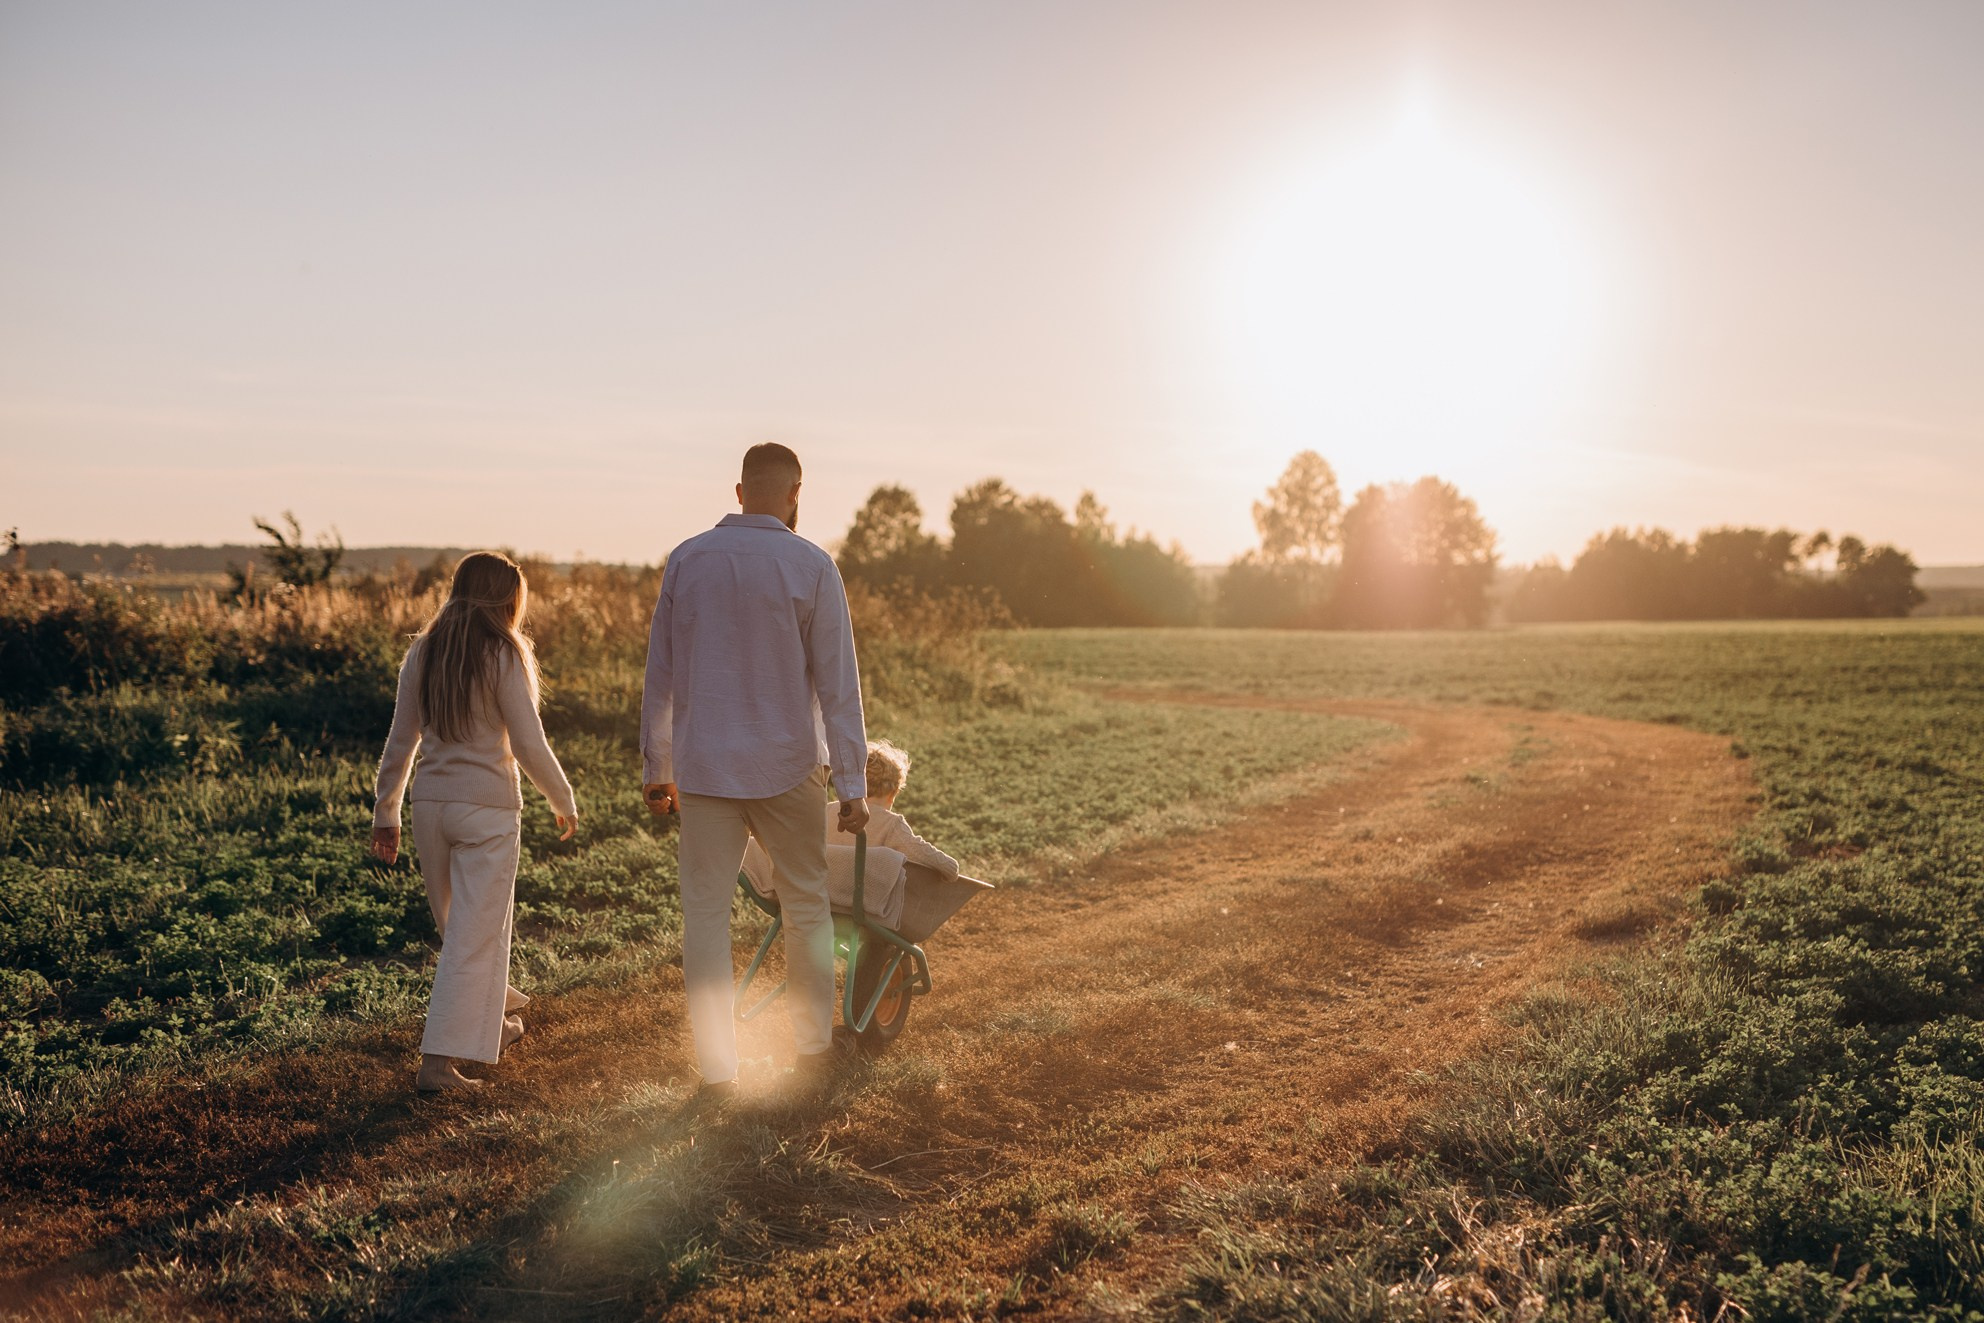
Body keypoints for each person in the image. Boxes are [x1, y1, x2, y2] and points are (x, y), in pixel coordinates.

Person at [641, 443, 869, 1094]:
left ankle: (718, 1068)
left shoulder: (687, 560)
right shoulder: (812, 564)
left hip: (705, 766)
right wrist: (851, 784)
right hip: (788, 763)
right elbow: (838, 685)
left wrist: (658, 766)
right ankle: (812, 1051)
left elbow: (660, 675)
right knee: (806, 907)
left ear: (739, 491)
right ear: (796, 493)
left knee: (706, 915)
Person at [371, 552, 578, 1093]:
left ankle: (498, 1022)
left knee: (458, 932)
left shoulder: (423, 650)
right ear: (507, 599)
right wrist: (562, 796)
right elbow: (528, 743)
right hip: (486, 809)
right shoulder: (505, 653)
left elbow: (401, 740)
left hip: (430, 808)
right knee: (474, 939)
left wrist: (385, 811)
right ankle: (438, 1066)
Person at [834, 740, 958, 879]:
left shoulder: (827, 810)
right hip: (866, 899)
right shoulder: (890, 824)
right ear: (893, 793)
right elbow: (949, 868)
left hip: (821, 894)